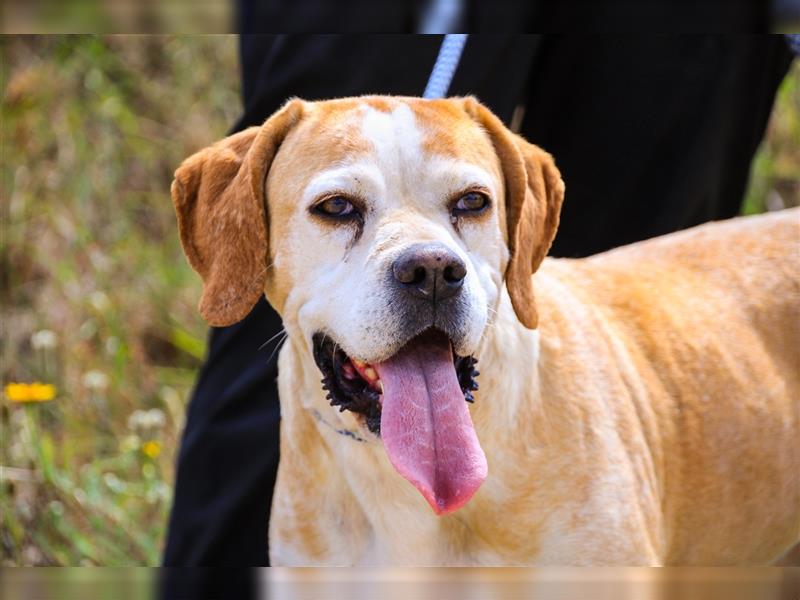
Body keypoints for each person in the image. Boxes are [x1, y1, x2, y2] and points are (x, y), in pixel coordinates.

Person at [162, 26, 794, 567]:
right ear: (251, 230)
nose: (431, 261)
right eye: (338, 208)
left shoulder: (572, 486)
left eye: (468, 205)